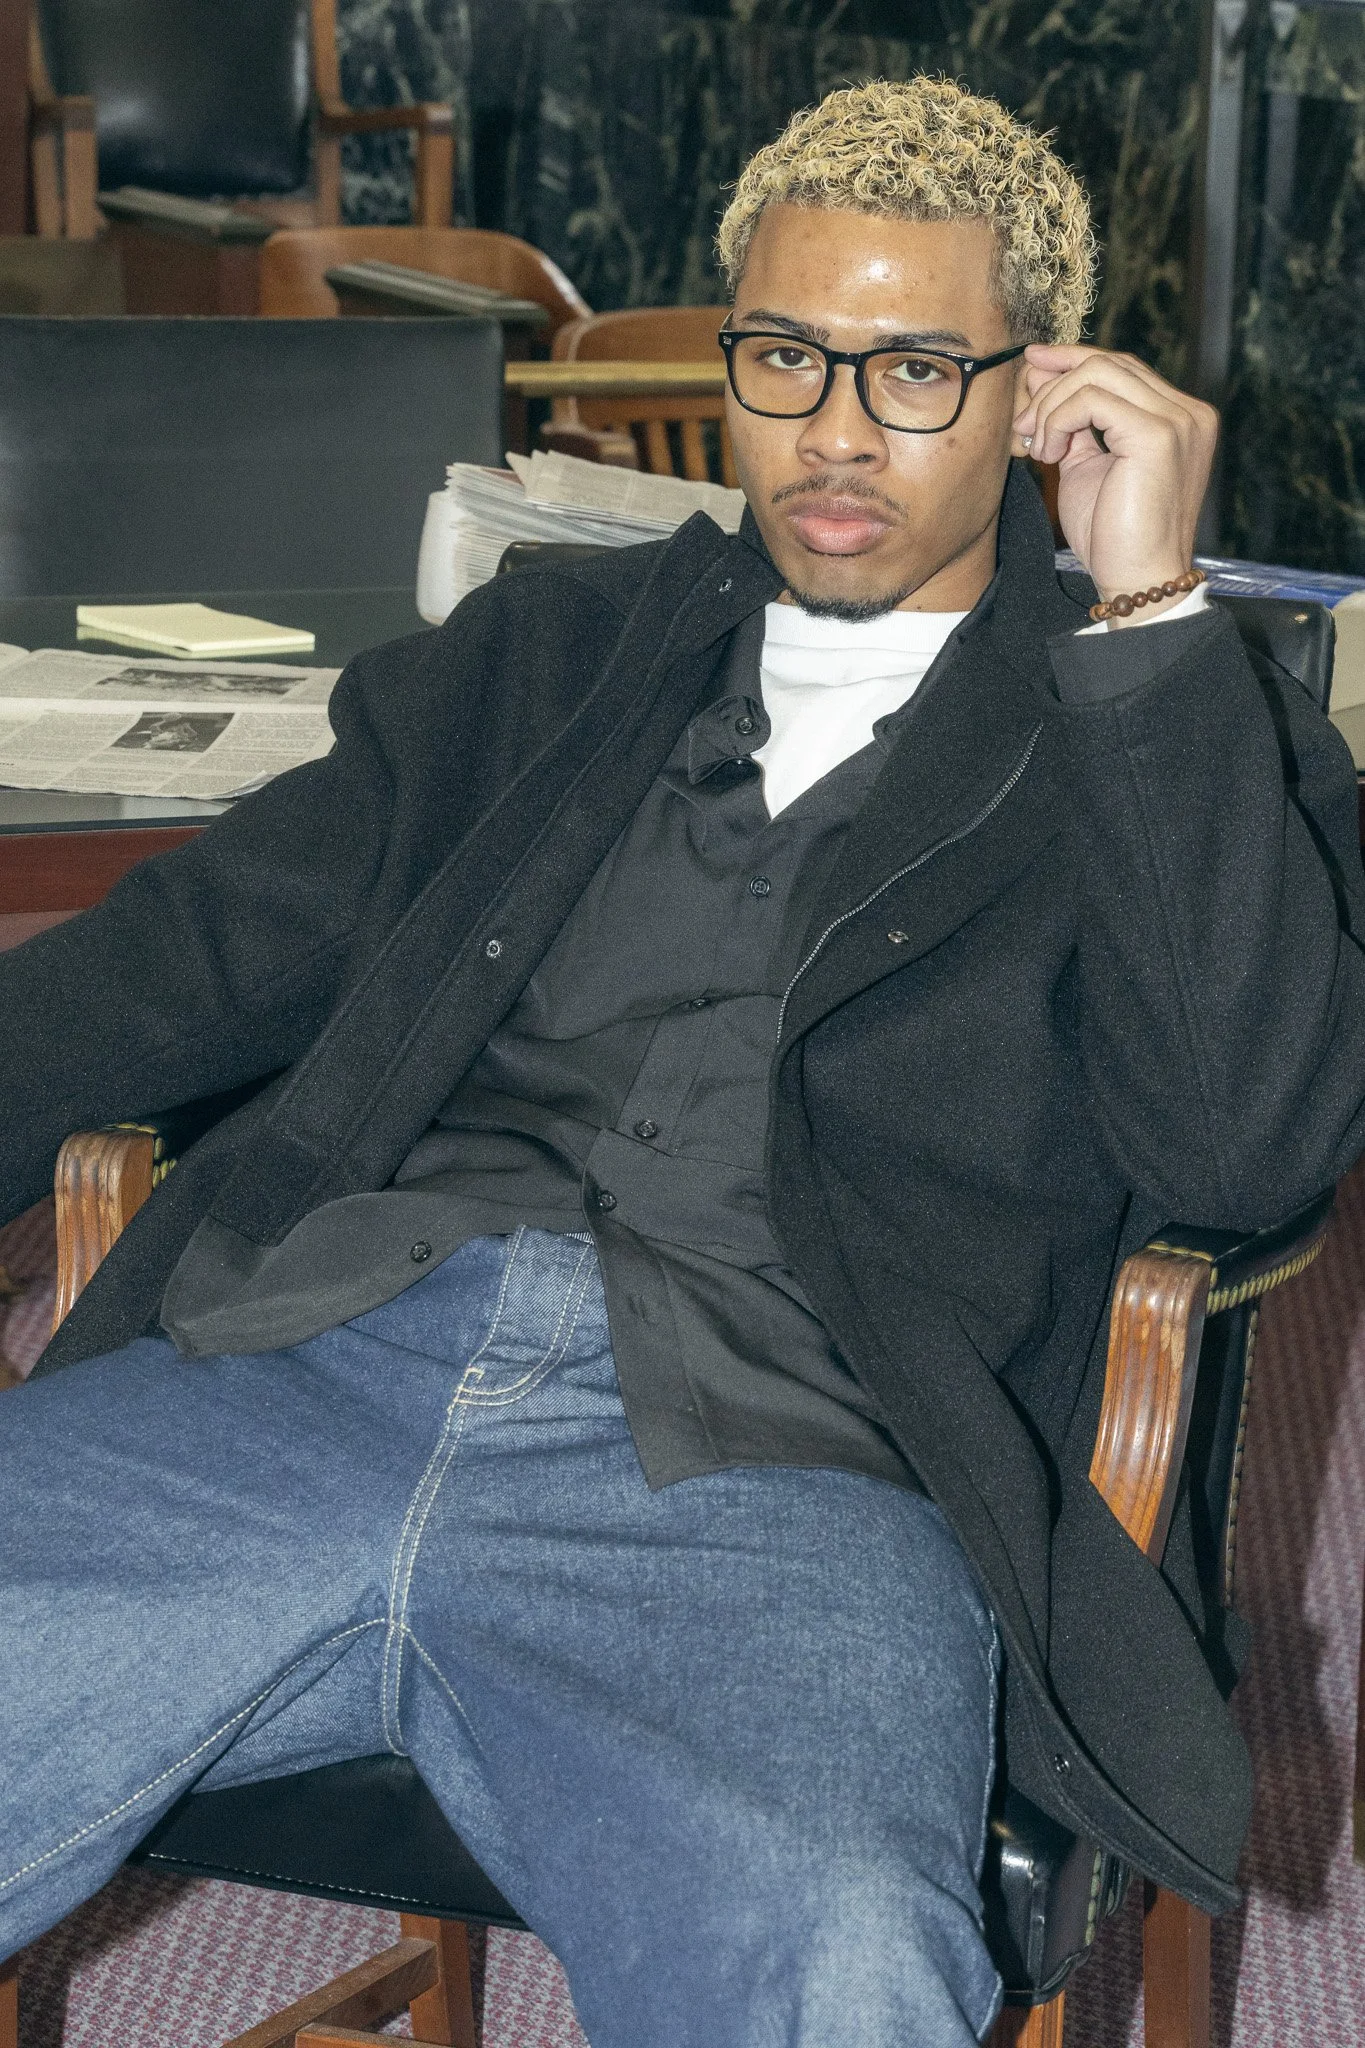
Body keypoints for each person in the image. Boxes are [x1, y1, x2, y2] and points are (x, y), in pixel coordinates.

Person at [2, 75, 1363, 2048]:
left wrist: (1146, 619)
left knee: (830, 1964)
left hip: (788, 1469)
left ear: (1036, 390)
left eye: (911, 369)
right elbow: (177, 964)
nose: (829, 430)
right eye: (786, 355)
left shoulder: (1171, 727)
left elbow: (1240, 1151)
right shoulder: (549, 651)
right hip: (303, 1370)